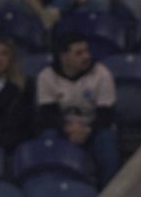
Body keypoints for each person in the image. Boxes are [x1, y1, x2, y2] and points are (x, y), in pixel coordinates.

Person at [37, 32, 119, 183]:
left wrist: (87, 130)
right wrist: (67, 128)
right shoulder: (47, 76)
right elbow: (47, 114)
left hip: (95, 127)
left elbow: (106, 114)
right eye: (79, 53)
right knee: (48, 137)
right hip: (64, 128)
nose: (86, 56)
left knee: (106, 141)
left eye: (87, 51)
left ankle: (108, 192)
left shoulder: (101, 74)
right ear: (64, 57)